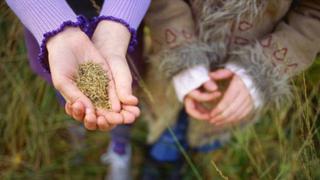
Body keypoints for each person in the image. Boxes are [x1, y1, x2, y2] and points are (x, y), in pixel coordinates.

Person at [141, 0, 320, 178]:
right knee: (167, 129)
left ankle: (195, 157)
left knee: (212, 135)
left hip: (239, 87)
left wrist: (264, 66)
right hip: (169, 69)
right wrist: (179, 51)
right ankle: (161, 159)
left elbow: (313, 12)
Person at [6, 0, 150, 180]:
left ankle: (120, 147)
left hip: (121, 24)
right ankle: (77, 134)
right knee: (67, 84)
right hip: (46, 20)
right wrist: (56, 29)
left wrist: (118, 22)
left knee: (122, 95)